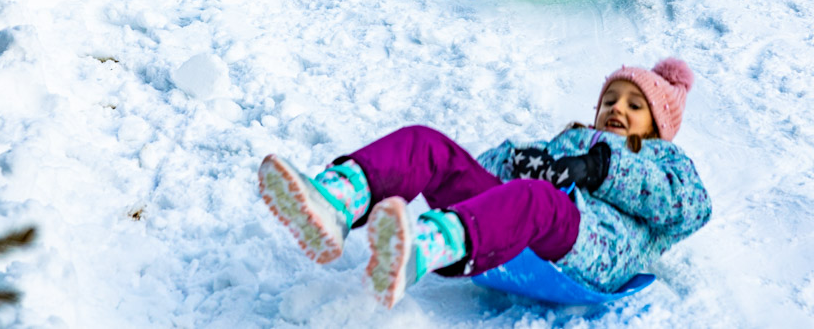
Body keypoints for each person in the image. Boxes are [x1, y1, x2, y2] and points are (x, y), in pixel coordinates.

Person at [257, 58, 710, 309]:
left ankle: (422, 248)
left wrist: (598, 168)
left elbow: (690, 208)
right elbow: (494, 181)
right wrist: (520, 160)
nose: (617, 108)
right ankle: (337, 201)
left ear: (657, 125)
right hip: (526, 224)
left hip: (594, 250)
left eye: (635, 105)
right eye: (610, 99)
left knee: (537, 198)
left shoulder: (663, 158)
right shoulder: (567, 142)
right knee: (426, 145)